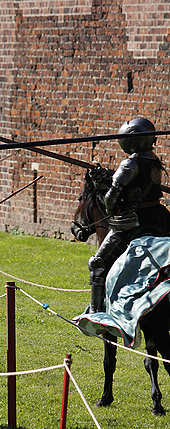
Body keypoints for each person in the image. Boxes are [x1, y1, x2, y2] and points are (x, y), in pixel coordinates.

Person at [88, 117, 170, 312]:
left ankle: (96, 310)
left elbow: (110, 204)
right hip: (160, 216)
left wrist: (101, 186)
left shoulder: (129, 164)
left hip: (135, 220)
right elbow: (141, 188)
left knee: (97, 262)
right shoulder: (155, 162)